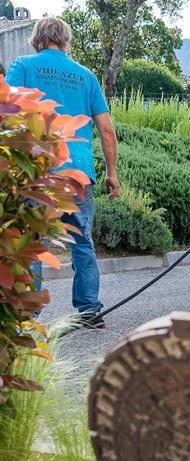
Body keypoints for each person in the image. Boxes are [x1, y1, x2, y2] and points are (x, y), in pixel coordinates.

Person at [5, 17, 120, 329]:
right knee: (83, 242)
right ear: (65, 40)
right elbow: (107, 131)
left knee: (31, 240)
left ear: (38, 38)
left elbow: (8, 110)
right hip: (78, 173)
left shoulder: (23, 65)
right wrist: (112, 173)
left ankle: (27, 317)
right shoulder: (86, 76)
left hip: (38, 171)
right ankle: (90, 311)